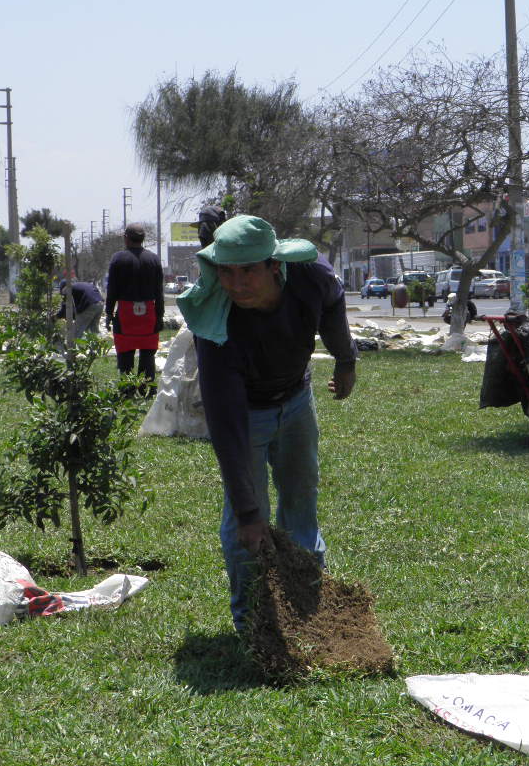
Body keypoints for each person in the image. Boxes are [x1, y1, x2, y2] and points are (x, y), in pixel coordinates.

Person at [179, 215, 358, 632]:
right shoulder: (216, 327)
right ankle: (253, 623)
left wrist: (346, 359)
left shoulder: (311, 276)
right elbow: (225, 424)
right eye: (226, 271)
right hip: (246, 415)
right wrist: (248, 513)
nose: (236, 284)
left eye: (247, 271)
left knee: (301, 503)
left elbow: (332, 303)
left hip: (296, 398)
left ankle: (309, 609)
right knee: (246, 528)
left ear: (274, 266)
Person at [105, 224, 165, 392]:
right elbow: (159, 292)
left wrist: (109, 313)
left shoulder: (118, 259)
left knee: (125, 354)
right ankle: (147, 387)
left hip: (125, 315)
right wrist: (159, 316)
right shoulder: (154, 259)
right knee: (148, 354)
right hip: (148, 314)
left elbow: (112, 290)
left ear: (126, 238)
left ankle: (127, 390)